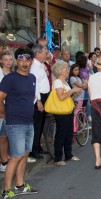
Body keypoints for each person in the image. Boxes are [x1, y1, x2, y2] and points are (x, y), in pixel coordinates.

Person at [0, 47, 38, 198]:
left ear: (31, 61)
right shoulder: (10, 78)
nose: (24, 62)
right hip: (15, 123)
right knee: (16, 156)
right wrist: (3, 112)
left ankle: (20, 185)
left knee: (24, 155)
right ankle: (6, 190)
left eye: (27, 59)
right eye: (21, 59)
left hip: (29, 122)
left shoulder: (32, 78)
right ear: (16, 61)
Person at [51, 62, 82, 166]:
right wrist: (72, 90)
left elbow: (67, 97)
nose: (67, 70)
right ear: (59, 70)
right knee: (61, 133)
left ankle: (68, 154)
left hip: (67, 109)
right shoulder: (58, 82)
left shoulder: (64, 82)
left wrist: (75, 93)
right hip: (61, 111)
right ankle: (58, 158)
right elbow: (61, 97)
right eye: (65, 69)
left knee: (69, 133)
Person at [30, 44, 50, 160]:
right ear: (37, 54)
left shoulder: (41, 65)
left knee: (41, 123)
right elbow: (35, 85)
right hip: (39, 97)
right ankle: (33, 149)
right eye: (44, 52)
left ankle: (38, 146)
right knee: (36, 124)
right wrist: (38, 101)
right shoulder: (34, 67)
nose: (46, 54)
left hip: (44, 96)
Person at [0, 51, 13, 172]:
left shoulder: (14, 75)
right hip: (1, 108)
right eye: (6, 59)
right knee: (2, 136)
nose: (8, 61)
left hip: (12, 109)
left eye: (10, 59)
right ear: (1, 61)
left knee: (7, 136)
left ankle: (6, 158)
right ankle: (3, 161)